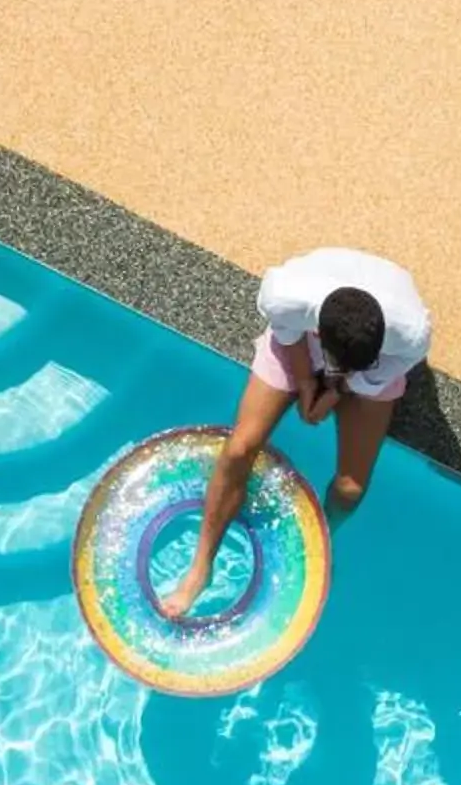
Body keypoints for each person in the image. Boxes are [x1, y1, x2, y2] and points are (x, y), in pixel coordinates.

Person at [157, 246, 432, 621]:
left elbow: (369, 376)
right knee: (239, 449)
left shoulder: (410, 336)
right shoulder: (285, 297)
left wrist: (336, 389)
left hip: (363, 355)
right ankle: (200, 568)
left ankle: (320, 543)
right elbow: (288, 339)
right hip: (303, 339)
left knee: (350, 490)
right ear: (318, 331)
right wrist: (306, 383)